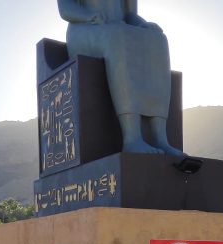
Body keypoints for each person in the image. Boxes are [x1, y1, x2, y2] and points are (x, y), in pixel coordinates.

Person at [57, 0, 183, 156]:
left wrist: (142, 25)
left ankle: (160, 138)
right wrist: (89, 16)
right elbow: (65, 9)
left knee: (158, 40)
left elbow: (130, 15)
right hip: (84, 28)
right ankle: (132, 138)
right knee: (118, 36)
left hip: (118, 28)